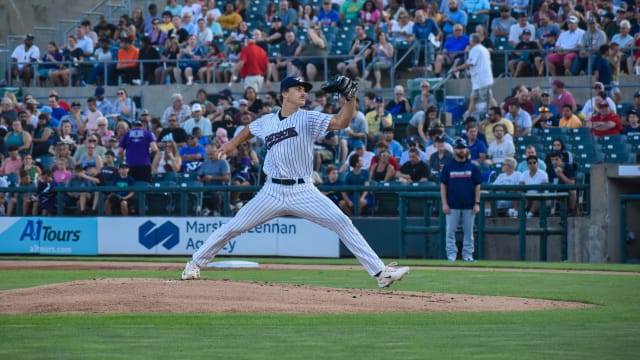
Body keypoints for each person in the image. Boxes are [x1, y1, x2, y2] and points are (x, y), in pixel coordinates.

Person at [180, 76, 410, 287]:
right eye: (297, 89)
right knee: (233, 227)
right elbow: (250, 129)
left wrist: (350, 98)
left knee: (342, 221)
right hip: (272, 191)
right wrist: (231, 144)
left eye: (305, 89)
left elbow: (341, 122)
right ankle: (194, 264)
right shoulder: (268, 121)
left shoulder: (308, 118)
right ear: (284, 94)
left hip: (303, 190)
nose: (303, 92)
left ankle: (381, 273)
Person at [440, 138, 482, 262]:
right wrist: (444, 203)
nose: (461, 150)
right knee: (450, 232)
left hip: (469, 205)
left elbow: (477, 186)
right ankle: (451, 255)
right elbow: (443, 186)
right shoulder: (448, 167)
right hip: (452, 205)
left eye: (463, 148)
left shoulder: (472, 167)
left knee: (469, 233)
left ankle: (468, 255)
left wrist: (477, 203)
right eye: (459, 148)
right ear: (454, 149)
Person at [451, 32, 497, 119]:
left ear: (472, 41)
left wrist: (456, 68)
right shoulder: (483, 49)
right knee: (474, 99)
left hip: (482, 80)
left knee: (489, 98)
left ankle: (498, 115)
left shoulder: (475, 49)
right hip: (478, 80)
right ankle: (467, 118)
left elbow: (470, 63)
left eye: (470, 41)